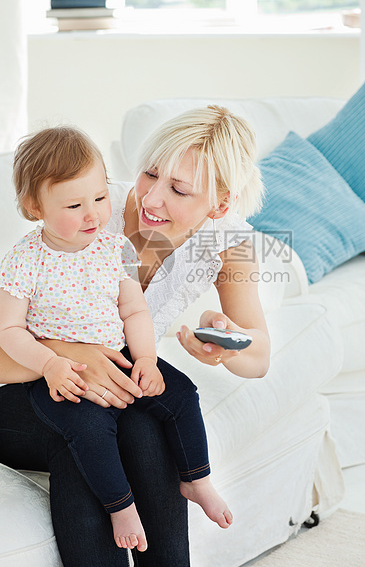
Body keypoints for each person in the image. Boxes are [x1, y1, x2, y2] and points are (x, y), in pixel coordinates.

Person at [0, 106, 271, 566]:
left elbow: (258, 354)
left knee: (142, 423)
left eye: (179, 190)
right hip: (21, 387)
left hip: (94, 390)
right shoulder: (81, 207)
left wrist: (227, 344)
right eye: (150, 173)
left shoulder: (225, 243)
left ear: (220, 204)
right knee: (83, 430)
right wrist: (67, 353)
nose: (152, 198)